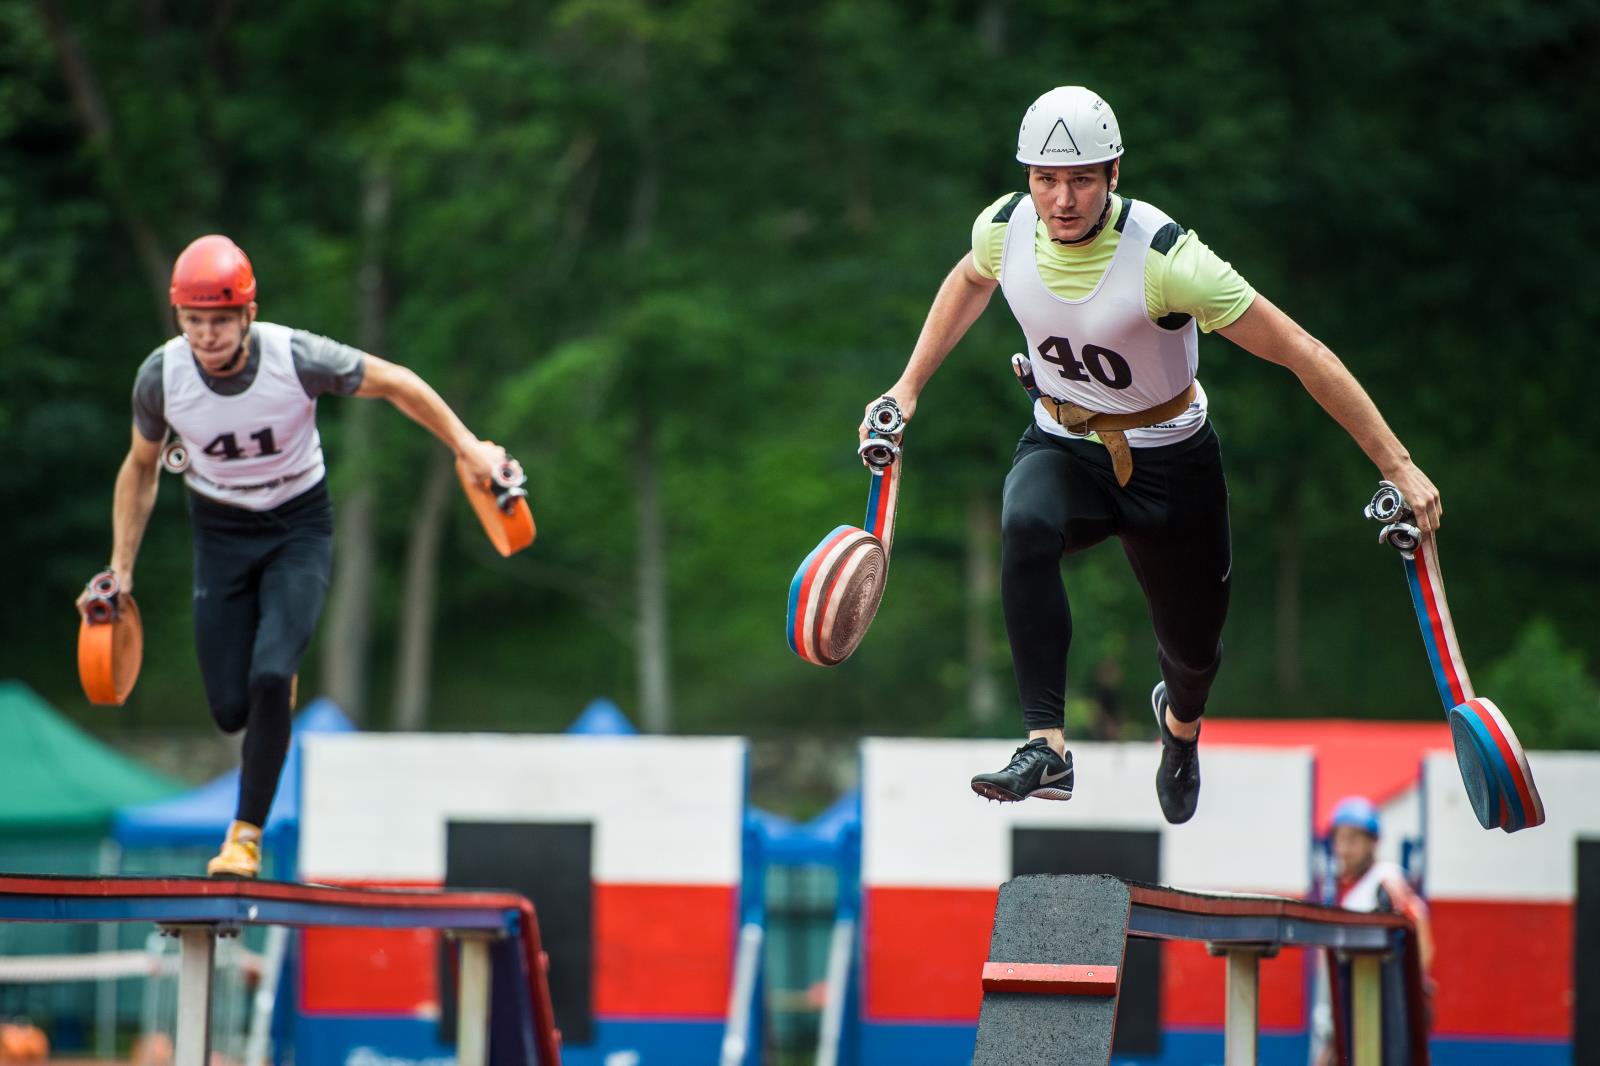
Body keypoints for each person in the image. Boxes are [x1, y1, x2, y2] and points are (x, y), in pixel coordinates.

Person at [861, 87, 1440, 822]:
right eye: (1045, 179)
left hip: (1173, 466)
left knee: (1194, 654)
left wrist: (1398, 464)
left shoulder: (1170, 260)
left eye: (1081, 180)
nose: (1062, 199)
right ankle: (1047, 746)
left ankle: (1180, 725)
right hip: (1066, 444)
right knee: (1026, 522)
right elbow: (969, 281)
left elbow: (1302, 352)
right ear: (1027, 178)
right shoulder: (1003, 229)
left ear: (1114, 174)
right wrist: (907, 387)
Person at [77, 234, 510, 878]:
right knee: (230, 708)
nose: (207, 335)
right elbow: (141, 469)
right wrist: (121, 570)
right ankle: (269, 690)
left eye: (220, 320)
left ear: (247, 314)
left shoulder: (296, 356)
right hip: (219, 534)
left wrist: (468, 448)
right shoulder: (160, 378)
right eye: (194, 321)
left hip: (297, 529)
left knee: (271, 675)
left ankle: (244, 837)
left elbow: (398, 383)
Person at [1310, 796, 1435, 1065]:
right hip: (1349, 1013)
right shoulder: (1348, 889)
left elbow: (1420, 938)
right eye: (1339, 839)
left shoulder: (1386, 880)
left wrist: (1406, 992)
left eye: (1353, 840)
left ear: (1373, 842)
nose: (1344, 849)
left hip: (1378, 1014)